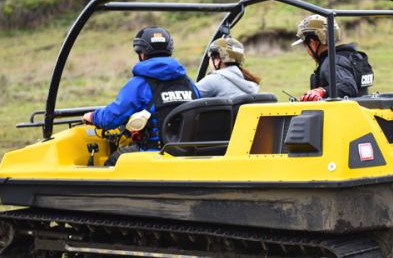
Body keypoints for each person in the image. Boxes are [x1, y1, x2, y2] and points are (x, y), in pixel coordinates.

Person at [82, 26, 200, 165]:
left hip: (154, 154)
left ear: (142, 53)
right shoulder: (189, 83)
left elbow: (111, 118)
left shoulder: (139, 85)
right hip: (188, 154)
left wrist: (92, 116)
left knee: (114, 159)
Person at [292, 14, 374, 101]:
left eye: (305, 45)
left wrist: (322, 91)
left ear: (313, 43)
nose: (306, 50)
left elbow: (348, 87)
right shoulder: (348, 57)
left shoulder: (331, 63)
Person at [196, 37, 261, 97]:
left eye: (210, 58)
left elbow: (187, 96)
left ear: (217, 60)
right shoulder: (248, 82)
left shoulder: (214, 79)